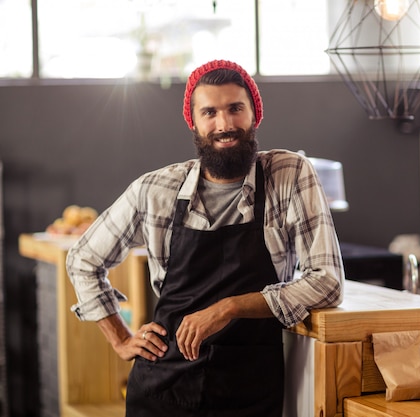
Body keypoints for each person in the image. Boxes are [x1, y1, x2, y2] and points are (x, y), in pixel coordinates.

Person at [66, 59, 345, 417]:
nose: (225, 124)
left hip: (250, 393)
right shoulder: (155, 190)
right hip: (162, 392)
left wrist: (229, 307)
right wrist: (121, 339)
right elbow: (82, 260)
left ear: (254, 114)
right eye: (210, 112)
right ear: (194, 122)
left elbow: (328, 281)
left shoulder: (288, 175)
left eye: (235, 109)